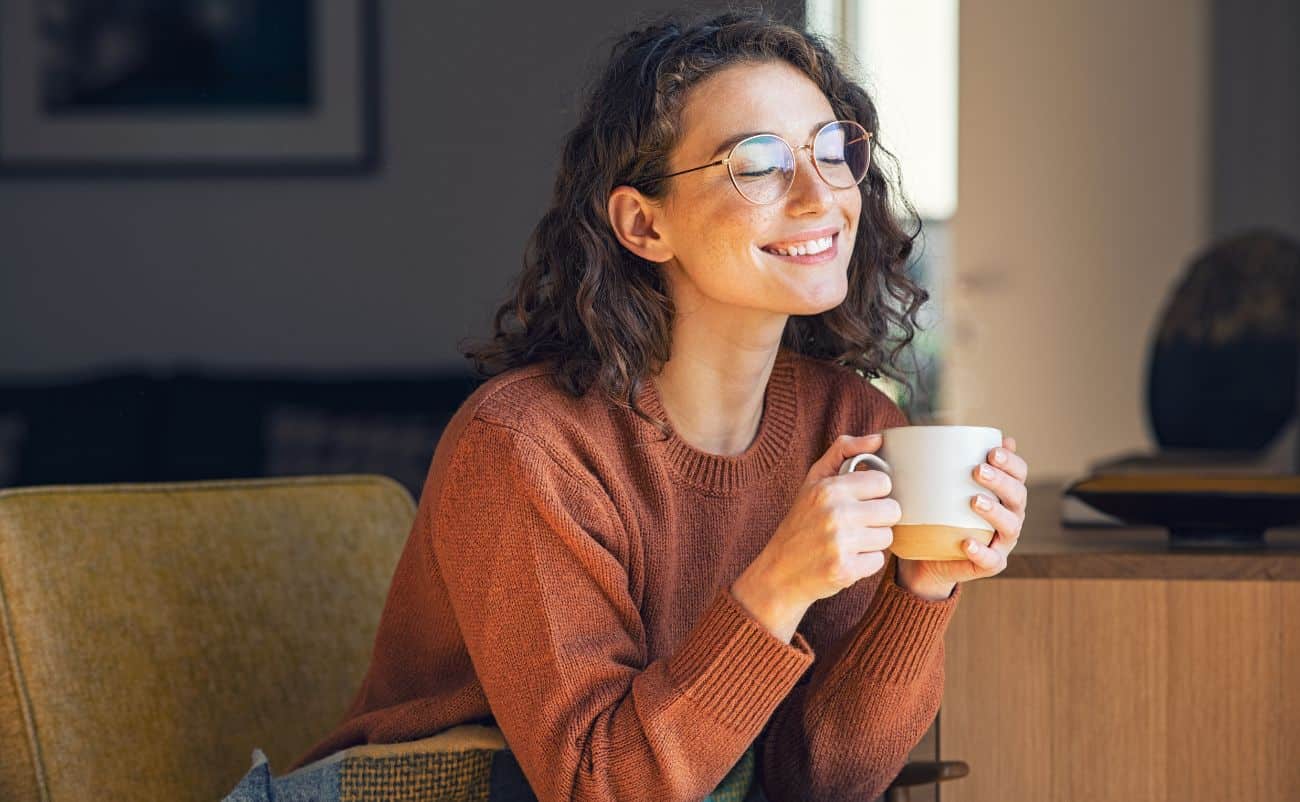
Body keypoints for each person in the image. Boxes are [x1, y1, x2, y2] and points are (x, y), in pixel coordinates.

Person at [290, 10, 1030, 802]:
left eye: (831, 150)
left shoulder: (851, 428)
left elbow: (812, 783)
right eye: (759, 164)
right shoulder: (525, 446)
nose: (821, 196)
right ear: (644, 224)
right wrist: (776, 586)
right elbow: (594, 787)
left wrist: (919, 591)